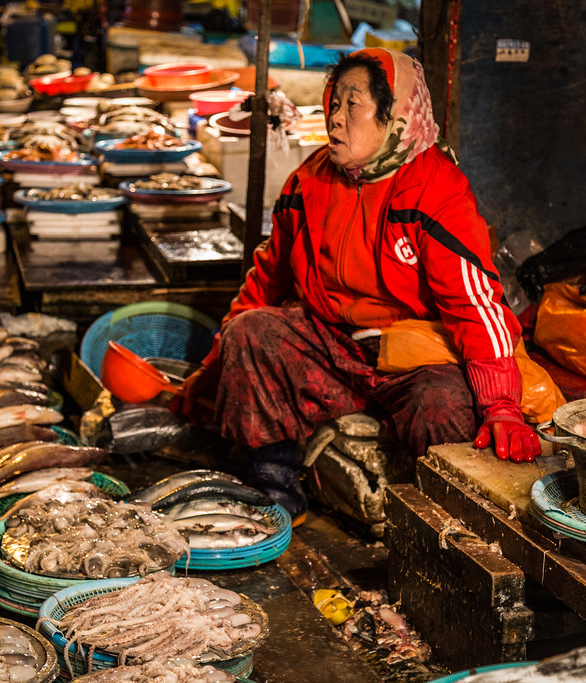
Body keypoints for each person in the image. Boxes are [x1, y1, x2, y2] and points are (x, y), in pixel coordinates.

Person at [172, 47, 541, 521]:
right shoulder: (310, 181)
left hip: (409, 360)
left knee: (446, 404)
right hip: (331, 347)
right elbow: (267, 276)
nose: (335, 118)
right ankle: (275, 487)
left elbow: (475, 303)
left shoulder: (436, 189)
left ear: (396, 117)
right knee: (252, 333)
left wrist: (502, 406)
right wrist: (214, 362)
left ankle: (426, 521)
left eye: (353, 104)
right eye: (333, 102)